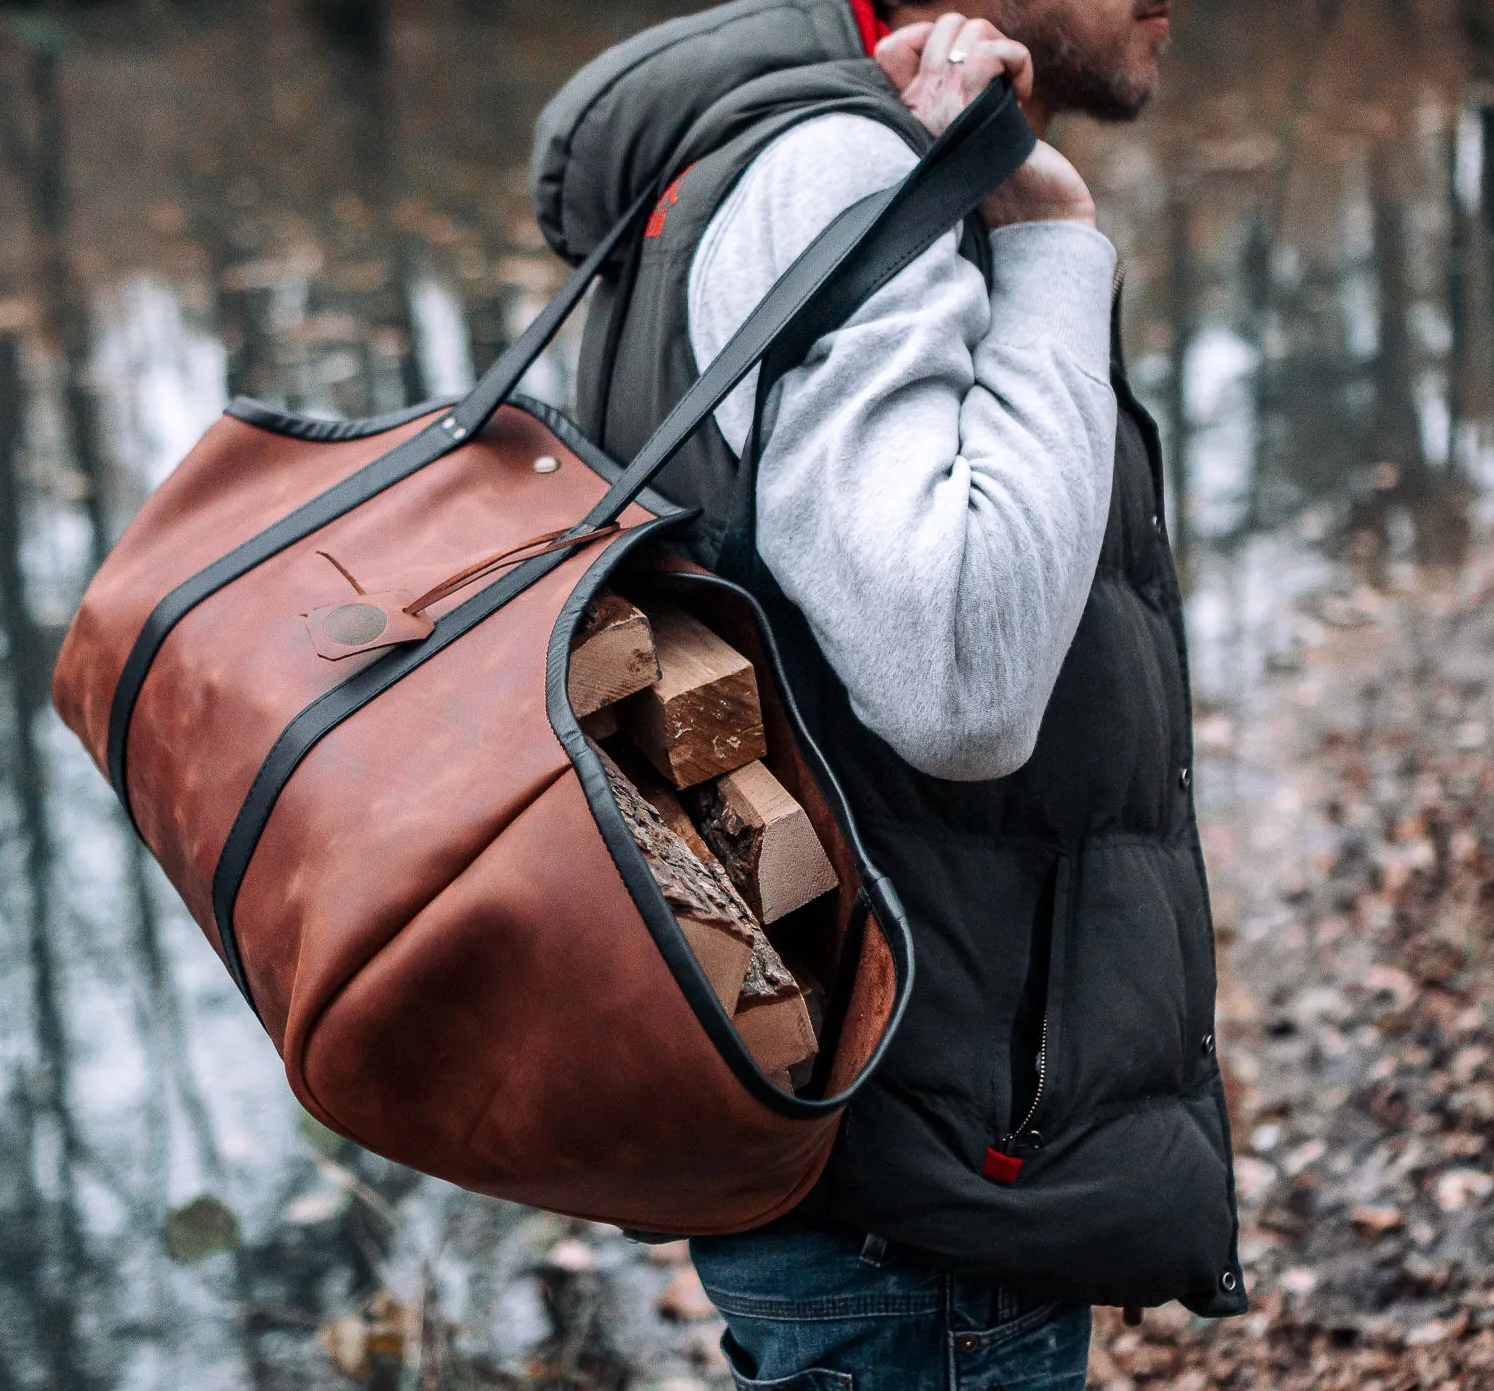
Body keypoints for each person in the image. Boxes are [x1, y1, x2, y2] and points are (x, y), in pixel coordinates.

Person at [532, 1, 1244, 1385]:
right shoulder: (831, 171)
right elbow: (961, 682)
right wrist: (1046, 240)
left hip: (884, 1169)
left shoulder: (760, 158)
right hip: (914, 1214)